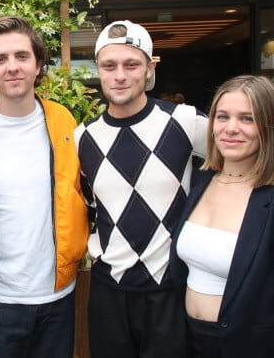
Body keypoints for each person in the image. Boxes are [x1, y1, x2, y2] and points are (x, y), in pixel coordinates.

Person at [0, 15, 89, 358]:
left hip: (59, 297)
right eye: (0, 59)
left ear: (38, 64)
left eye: (22, 56)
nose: (13, 67)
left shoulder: (64, 122)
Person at [74, 20, 208, 358]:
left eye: (131, 64)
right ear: (99, 71)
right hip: (108, 290)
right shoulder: (82, 137)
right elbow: (89, 206)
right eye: (110, 65)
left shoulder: (186, 122)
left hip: (170, 290)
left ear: (150, 68)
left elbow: (247, 168)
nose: (120, 75)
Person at [170, 75, 274, 357]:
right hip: (190, 341)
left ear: (269, 127)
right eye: (223, 116)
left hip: (248, 346)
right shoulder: (199, 184)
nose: (231, 128)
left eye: (247, 119)